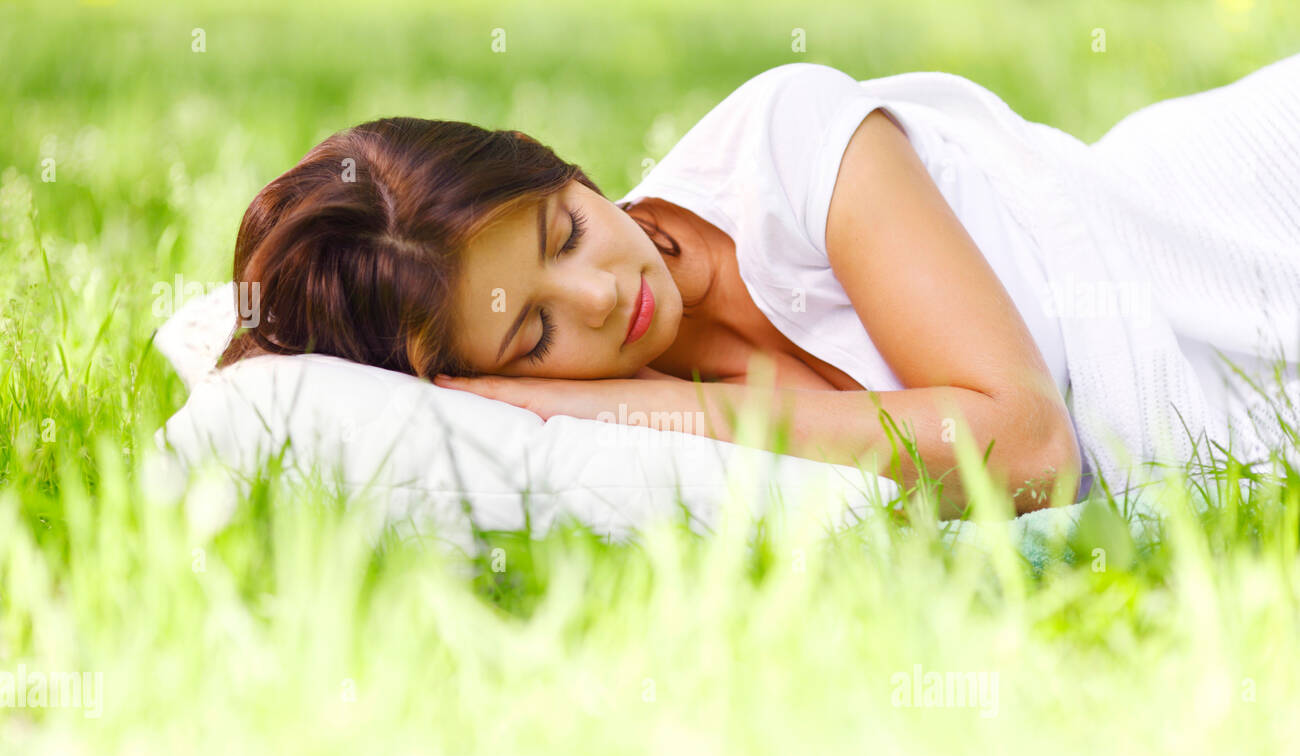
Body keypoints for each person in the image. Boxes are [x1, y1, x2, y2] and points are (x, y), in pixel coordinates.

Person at [218, 57, 1300, 516]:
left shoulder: (785, 148)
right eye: (534, 332)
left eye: (563, 229)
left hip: (1235, 221)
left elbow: (1026, 449)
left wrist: (635, 401)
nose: (598, 293)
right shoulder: (620, 451)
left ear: (567, 170)